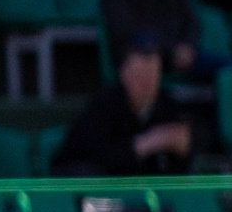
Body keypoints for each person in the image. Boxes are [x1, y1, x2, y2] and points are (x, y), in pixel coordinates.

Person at [52, 37, 193, 176]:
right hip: (90, 185)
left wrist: (184, 146)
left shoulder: (167, 106)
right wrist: (145, 143)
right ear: (124, 74)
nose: (146, 84)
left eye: (152, 76)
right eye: (140, 76)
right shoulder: (104, 104)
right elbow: (96, 157)